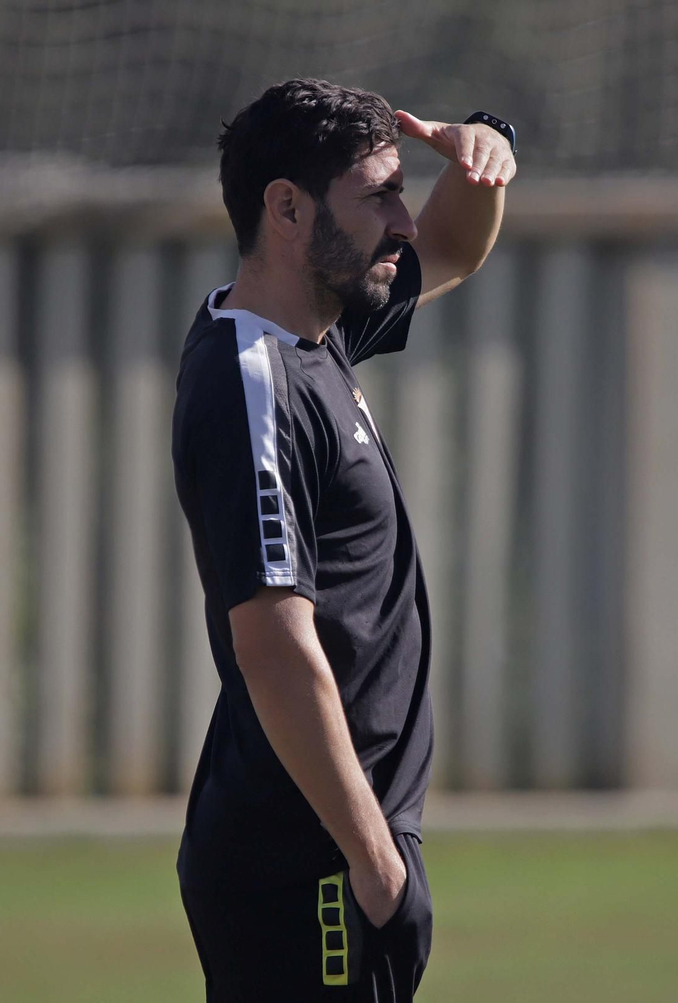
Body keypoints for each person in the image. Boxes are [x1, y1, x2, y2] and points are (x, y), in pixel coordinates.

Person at [171, 77, 516, 1001]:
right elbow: (275, 645)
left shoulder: (315, 333)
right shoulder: (253, 380)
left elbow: (452, 248)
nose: (403, 221)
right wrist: (373, 862)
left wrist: (484, 155)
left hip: (334, 851)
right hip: (309, 864)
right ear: (287, 209)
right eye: (381, 195)